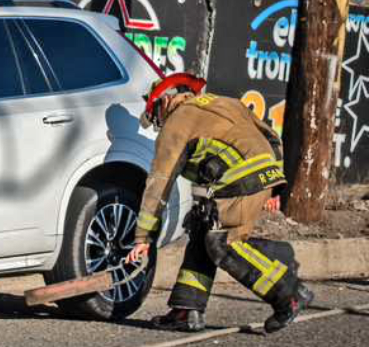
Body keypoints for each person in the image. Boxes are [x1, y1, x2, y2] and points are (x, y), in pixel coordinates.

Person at [125, 73, 313, 333]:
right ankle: (186, 309)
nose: (158, 125)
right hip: (258, 176)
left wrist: (143, 237)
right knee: (202, 227)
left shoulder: (176, 124)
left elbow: (159, 184)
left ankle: (288, 293)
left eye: (155, 117)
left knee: (223, 243)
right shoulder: (224, 102)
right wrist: (274, 186)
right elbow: (271, 137)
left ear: (163, 102)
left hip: (238, 181)